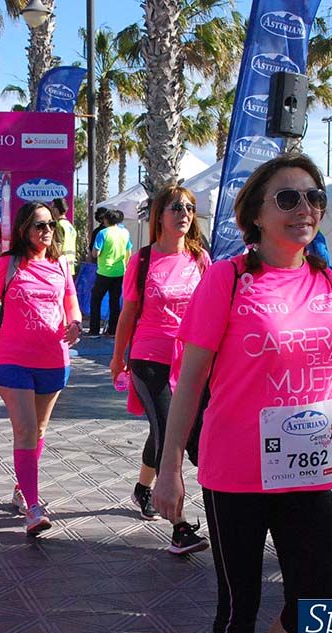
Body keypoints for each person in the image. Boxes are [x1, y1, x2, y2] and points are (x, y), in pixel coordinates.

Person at [152, 154, 332, 633]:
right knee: (240, 607)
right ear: (256, 214)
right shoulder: (227, 279)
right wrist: (169, 468)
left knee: (315, 604)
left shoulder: (325, 280)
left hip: (307, 473)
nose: (305, 208)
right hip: (236, 472)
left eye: (313, 197)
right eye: (288, 198)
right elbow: (189, 382)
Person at [109, 184, 210, 553]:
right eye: (175, 207)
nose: (184, 213)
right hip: (150, 357)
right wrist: (117, 358)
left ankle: (142, 488)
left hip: (192, 359)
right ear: (160, 217)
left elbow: (212, 313)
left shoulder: (201, 259)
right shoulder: (144, 259)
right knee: (171, 433)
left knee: (163, 430)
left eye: (189, 207)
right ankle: (180, 526)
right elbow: (128, 313)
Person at [0, 202, 83, 536]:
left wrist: (75, 322)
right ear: (23, 229)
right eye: (39, 225)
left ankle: (23, 487)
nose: (46, 231)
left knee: (38, 430)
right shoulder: (8, 264)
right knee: (24, 429)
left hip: (53, 359)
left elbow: (71, 302)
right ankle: (33, 507)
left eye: (50, 225)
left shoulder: (60, 263)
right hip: (12, 359)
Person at [89, 208, 131, 336]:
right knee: (114, 301)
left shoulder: (102, 233)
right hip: (120, 272)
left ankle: (94, 331)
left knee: (95, 300)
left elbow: (95, 253)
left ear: (106, 220)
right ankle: (113, 330)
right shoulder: (125, 233)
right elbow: (129, 251)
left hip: (104, 271)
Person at [51, 197, 77, 275]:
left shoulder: (59, 225)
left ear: (56, 209)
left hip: (60, 267)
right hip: (70, 267)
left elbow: (58, 246)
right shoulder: (69, 226)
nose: (51, 209)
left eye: (52, 207)